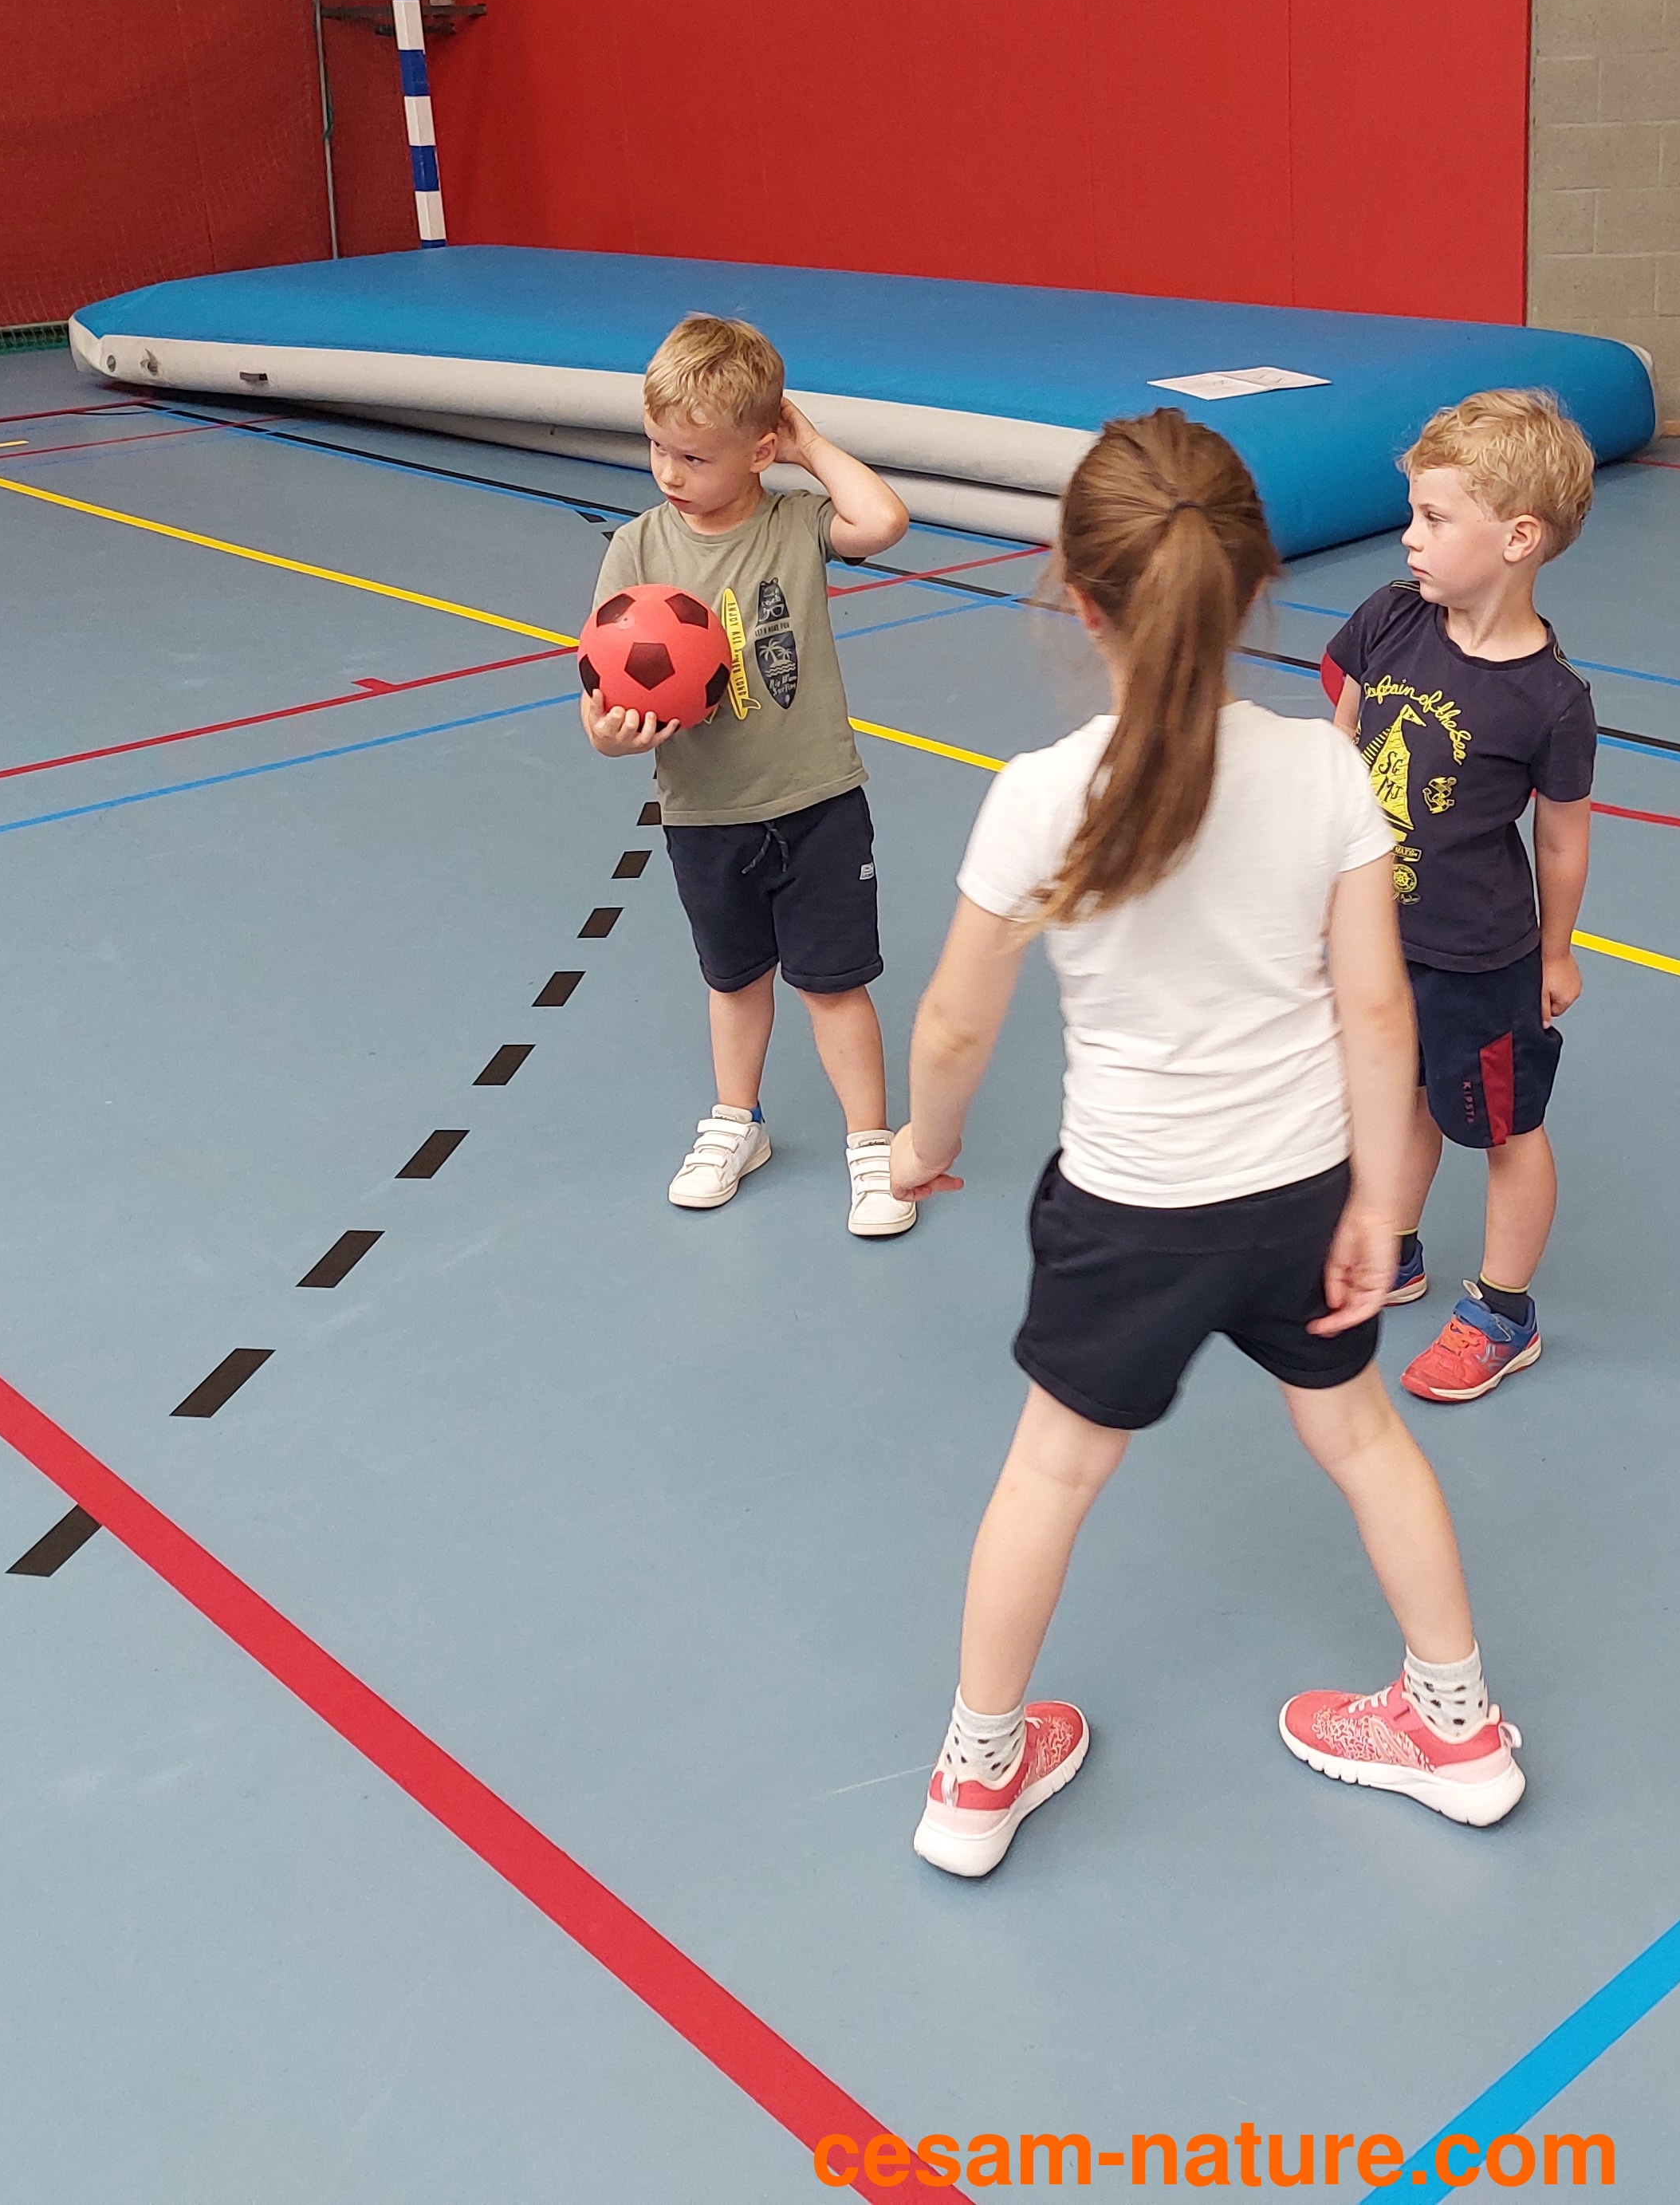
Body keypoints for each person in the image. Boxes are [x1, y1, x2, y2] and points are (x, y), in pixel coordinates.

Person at [884, 410, 1523, 1878]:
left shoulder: (1041, 794)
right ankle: (1458, 1732)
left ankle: (976, 1776)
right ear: (1253, 587)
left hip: (1127, 1212)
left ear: (1078, 596)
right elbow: (1377, 1009)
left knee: (1049, 1475)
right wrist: (1377, 1201)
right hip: (1300, 1196)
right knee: (1362, 1438)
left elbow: (955, 1024)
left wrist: (921, 1146)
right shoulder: (1320, 770)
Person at [582, 313, 922, 1238]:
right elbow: (598, 689)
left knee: (834, 983)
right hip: (705, 812)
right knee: (733, 981)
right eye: (658, 447)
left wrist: (810, 445)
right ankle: (739, 1122)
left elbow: (883, 521)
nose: (669, 471)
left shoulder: (796, 523)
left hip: (818, 803)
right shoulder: (637, 549)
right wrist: (611, 738)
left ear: (760, 451)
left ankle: (870, 1146)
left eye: (694, 457)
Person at [1318, 389, 1599, 1406]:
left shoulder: (1550, 700)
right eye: (1414, 514)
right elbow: (1340, 749)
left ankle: (1503, 1312)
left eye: (1435, 519)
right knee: (1399, 1096)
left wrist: (1555, 951)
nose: (1409, 538)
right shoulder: (1390, 618)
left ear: (1518, 538)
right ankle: (1392, 1247)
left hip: (1479, 960)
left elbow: (1560, 836)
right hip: (1377, 937)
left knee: (1502, 1129)